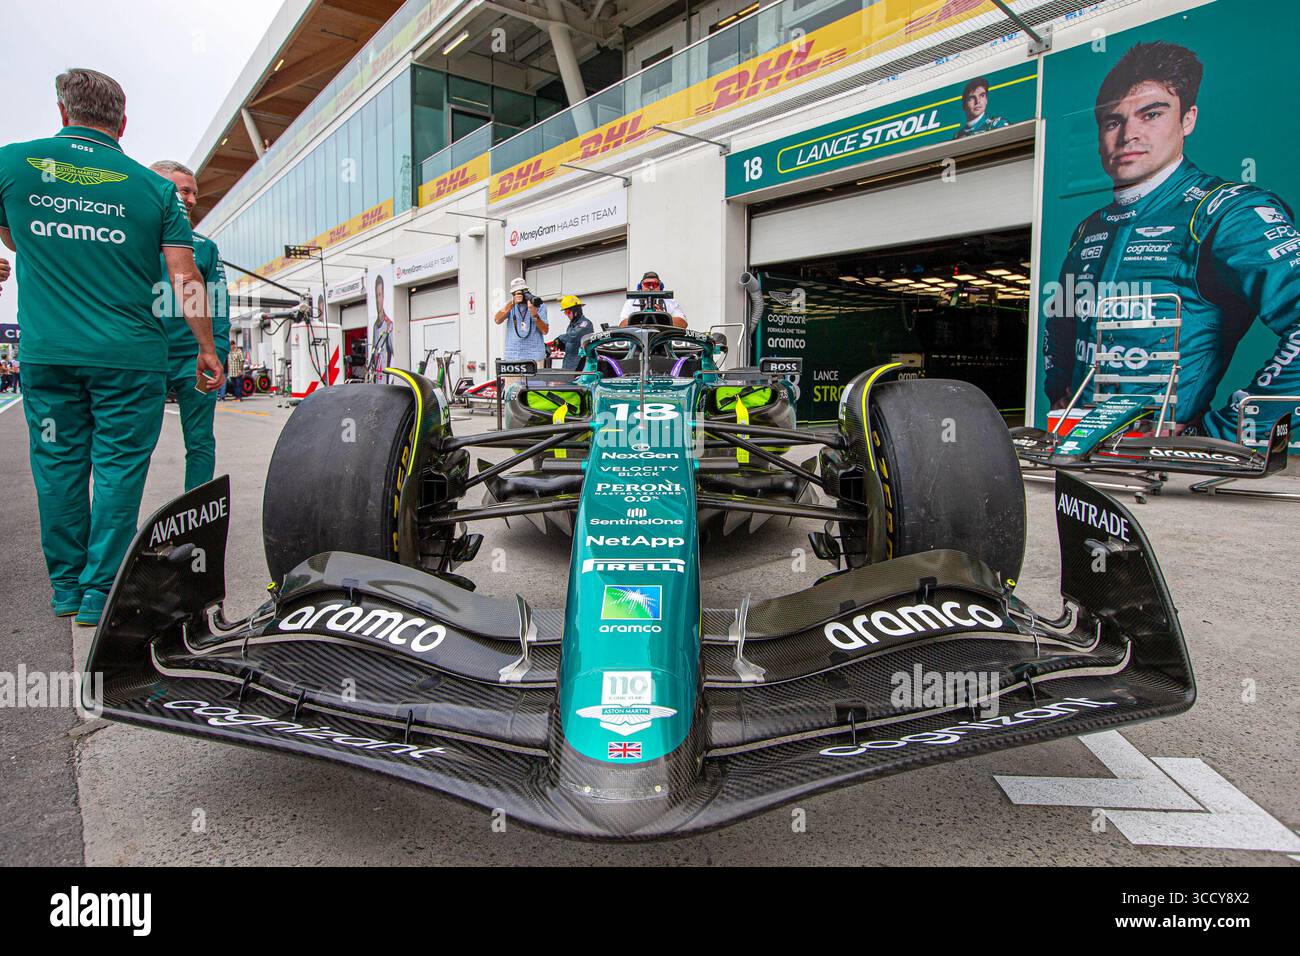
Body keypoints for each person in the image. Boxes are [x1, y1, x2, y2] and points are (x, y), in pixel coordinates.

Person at [0, 68, 222, 624]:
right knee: (121, 467)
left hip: (48, 353)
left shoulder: (11, 164)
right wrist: (206, 347)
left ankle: (66, 589)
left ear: (61, 112)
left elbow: (17, 234)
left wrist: (27, 244)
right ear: (123, 123)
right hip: (130, 358)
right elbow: (184, 278)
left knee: (57, 466)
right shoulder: (151, 189)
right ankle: (99, 592)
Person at [1044, 42, 1300, 439]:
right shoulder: (1089, 227)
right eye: (1113, 121)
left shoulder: (1227, 211)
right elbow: (1061, 320)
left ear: (1188, 119)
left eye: (1151, 115)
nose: (1129, 134)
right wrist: (1058, 392)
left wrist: (1221, 436)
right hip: (1076, 447)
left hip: (1160, 470)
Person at [151, 160, 229, 491]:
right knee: (132, 445)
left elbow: (220, 305)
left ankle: (195, 513)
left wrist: (218, 352)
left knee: (199, 441)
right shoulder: (129, 241)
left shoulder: (205, 247)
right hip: (146, 361)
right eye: (183, 190)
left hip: (195, 365)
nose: (192, 199)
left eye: (194, 193)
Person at [494, 277, 548, 361]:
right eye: (516, 293)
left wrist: (534, 314)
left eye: (522, 292)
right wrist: (512, 303)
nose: (520, 296)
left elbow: (545, 331)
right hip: (513, 356)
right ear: (513, 294)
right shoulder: (509, 305)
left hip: (534, 356)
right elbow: (497, 320)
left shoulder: (538, 305)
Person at [619, 271, 687, 328]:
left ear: (660, 287)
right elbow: (622, 325)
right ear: (640, 287)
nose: (651, 287)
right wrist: (641, 316)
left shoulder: (669, 301)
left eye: (655, 284)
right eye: (647, 284)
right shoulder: (631, 302)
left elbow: (683, 324)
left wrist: (662, 316)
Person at [553, 295, 595, 370]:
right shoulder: (572, 324)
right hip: (569, 363)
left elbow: (574, 336)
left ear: (576, 311)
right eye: (565, 312)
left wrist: (560, 339)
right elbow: (570, 341)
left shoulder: (585, 323)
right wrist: (561, 345)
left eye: (568, 312)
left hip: (580, 365)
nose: (566, 315)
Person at [368, 273, 393, 380]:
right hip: (375, 377)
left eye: (380, 294)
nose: (378, 299)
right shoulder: (375, 325)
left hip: (385, 379)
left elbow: (394, 352)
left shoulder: (389, 325)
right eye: (376, 295)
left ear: (383, 296)